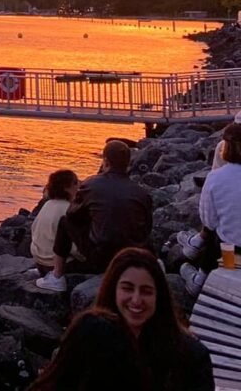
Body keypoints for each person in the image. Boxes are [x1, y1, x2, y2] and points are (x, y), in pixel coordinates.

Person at [29, 247, 214, 390]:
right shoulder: (91, 338)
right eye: (127, 288)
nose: (136, 300)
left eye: (146, 291)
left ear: (159, 297)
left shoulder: (190, 356)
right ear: (113, 290)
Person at [37, 139, 152, 292]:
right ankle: (153, 266)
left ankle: (57, 277)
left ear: (105, 162)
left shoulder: (91, 184)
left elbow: (73, 214)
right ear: (128, 164)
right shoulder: (141, 193)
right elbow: (147, 228)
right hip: (131, 257)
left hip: (100, 258)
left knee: (65, 222)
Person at [181, 122, 241, 295]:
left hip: (231, 254)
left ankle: (199, 280)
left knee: (218, 235)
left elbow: (209, 221)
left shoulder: (216, 177)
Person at [31, 170, 80, 273]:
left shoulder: (48, 204)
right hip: (56, 264)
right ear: (66, 188)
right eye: (75, 182)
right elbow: (74, 248)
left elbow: (33, 230)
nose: (79, 185)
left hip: (39, 261)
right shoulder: (68, 210)